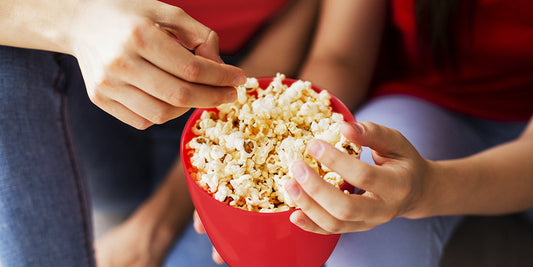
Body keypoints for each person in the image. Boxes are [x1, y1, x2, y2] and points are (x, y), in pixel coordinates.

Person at [194, 0, 533, 266]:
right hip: (422, 101)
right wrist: (282, 154)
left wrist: (426, 189)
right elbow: (341, 56)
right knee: (353, 230)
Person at [0, 0, 319, 266]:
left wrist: (156, 225)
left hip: (231, 110)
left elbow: (312, 23)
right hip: (85, 89)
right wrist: (75, 22)